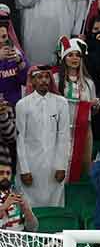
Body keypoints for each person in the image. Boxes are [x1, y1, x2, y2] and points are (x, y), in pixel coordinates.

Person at [15, 65, 69, 207]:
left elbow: (64, 136)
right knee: (30, 207)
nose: (44, 80)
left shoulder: (61, 103)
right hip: (31, 165)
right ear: (32, 81)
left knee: (55, 204)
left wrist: (62, 166)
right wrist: (24, 169)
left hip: (54, 166)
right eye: (39, 77)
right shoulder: (22, 104)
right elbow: (20, 140)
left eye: (46, 77)